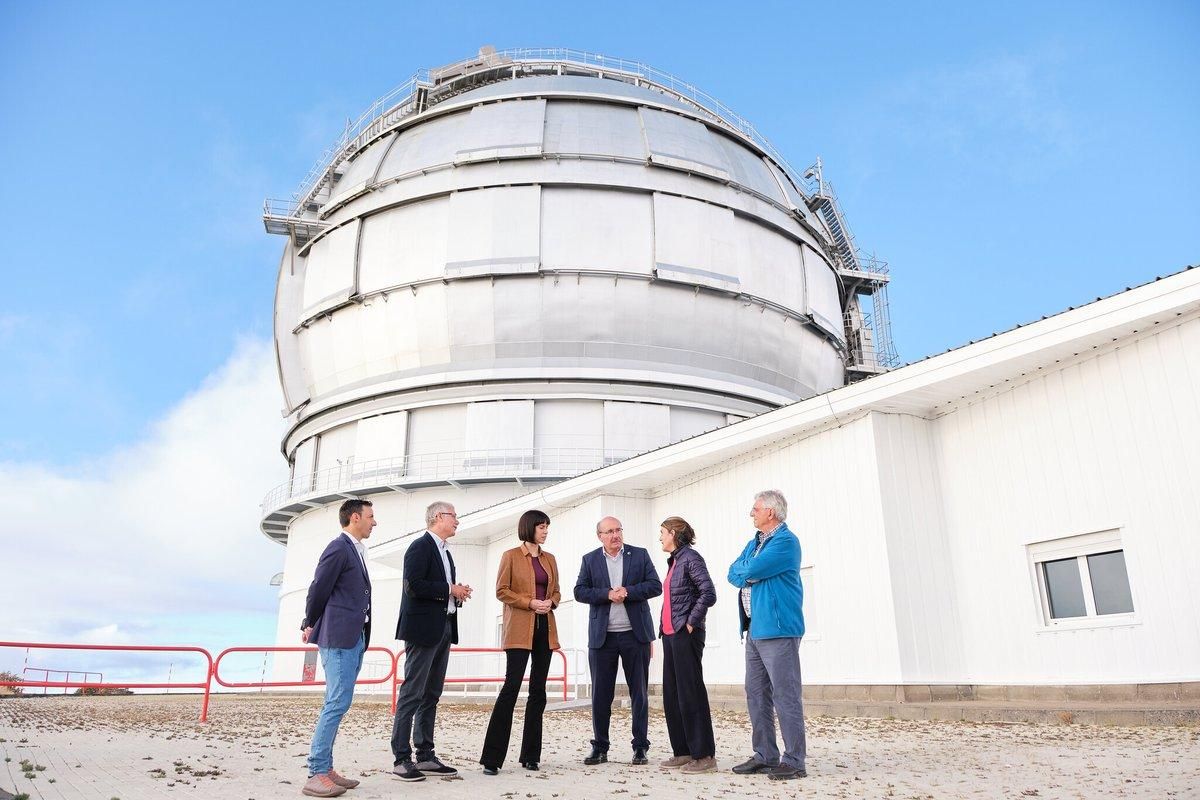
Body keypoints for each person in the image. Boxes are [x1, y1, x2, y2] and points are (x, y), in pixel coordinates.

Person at [726, 489, 807, 781]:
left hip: (779, 629)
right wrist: (747, 571)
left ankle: (795, 760)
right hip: (754, 629)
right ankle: (765, 754)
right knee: (756, 694)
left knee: (786, 695)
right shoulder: (754, 542)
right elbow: (733, 572)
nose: (752, 513)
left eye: (756, 508)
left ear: (770, 512)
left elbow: (754, 568)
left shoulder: (786, 542)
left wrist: (749, 570)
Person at [389, 501, 473, 782]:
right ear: (438, 517)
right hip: (422, 630)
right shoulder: (420, 547)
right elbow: (412, 585)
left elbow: (437, 590)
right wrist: (450, 588)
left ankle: (425, 755)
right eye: (454, 515)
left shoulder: (446, 553)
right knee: (412, 693)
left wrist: (456, 594)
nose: (457, 521)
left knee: (431, 694)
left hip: (444, 627)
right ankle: (402, 758)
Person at [300, 498, 376, 797]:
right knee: (335, 703)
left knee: (338, 703)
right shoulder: (338, 547)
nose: (374, 521)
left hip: (354, 636)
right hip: (338, 636)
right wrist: (308, 621)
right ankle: (316, 772)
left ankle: (326, 768)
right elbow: (319, 587)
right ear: (355, 518)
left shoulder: (355, 550)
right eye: (371, 516)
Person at [573, 515, 662, 766]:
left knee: (639, 694)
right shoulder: (590, 560)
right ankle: (600, 747)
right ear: (600, 536)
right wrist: (607, 594)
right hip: (603, 638)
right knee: (601, 695)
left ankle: (640, 748)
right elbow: (580, 591)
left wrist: (629, 591)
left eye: (618, 530)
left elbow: (656, 586)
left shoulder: (640, 555)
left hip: (636, 636)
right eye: (609, 531)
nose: (615, 535)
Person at [479, 509, 562, 775]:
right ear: (529, 528)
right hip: (519, 631)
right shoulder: (510, 556)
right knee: (511, 688)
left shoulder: (550, 559)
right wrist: (529, 602)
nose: (546, 531)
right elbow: (501, 590)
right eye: (541, 527)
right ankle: (492, 758)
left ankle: (531, 755)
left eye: (547, 527)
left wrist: (552, 602)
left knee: (538, 691)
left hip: (545, 630)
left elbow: (557, 590)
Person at [656, 516, 718, 774]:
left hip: (685, 634)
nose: (659, 537)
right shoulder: (675, 561)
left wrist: (690, 623)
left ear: (673, 533)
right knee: (672, 694)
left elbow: (709, 593)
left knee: (690, 692)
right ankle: (683, 751)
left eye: (662, 532)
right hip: (670, 635)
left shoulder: (691, 558)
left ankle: (704, 756)